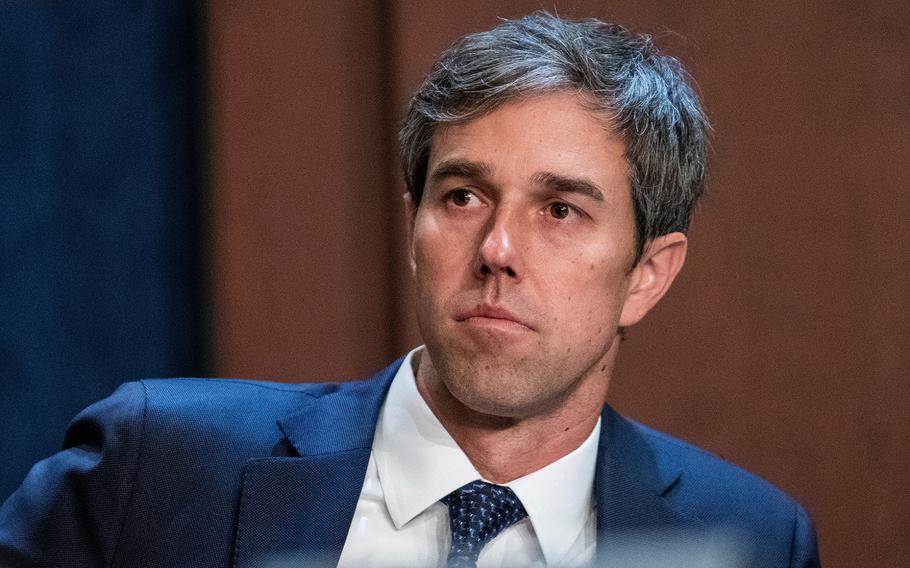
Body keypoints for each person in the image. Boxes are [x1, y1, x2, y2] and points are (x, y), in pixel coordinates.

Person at [0, 12, 819, 568]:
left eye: (560, 210)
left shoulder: (753, 538)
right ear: (414, 225)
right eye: (462, 196)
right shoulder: (157, 462)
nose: (497, 249)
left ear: (647, 274)